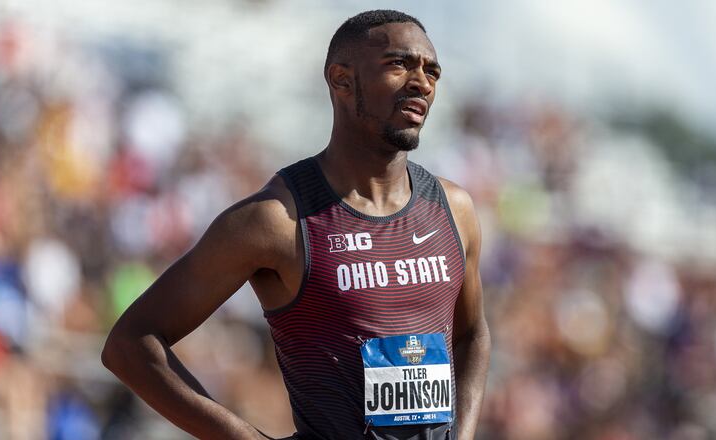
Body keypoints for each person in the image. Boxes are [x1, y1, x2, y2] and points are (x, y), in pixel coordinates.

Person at [102, 9, 490, 440]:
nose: (422, 82)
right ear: (341, 79)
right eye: (399, 64)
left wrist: (464, 434)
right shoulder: (276, 220)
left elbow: (471, 335)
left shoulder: (454, 209)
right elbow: (130, 345)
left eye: (431, 70)